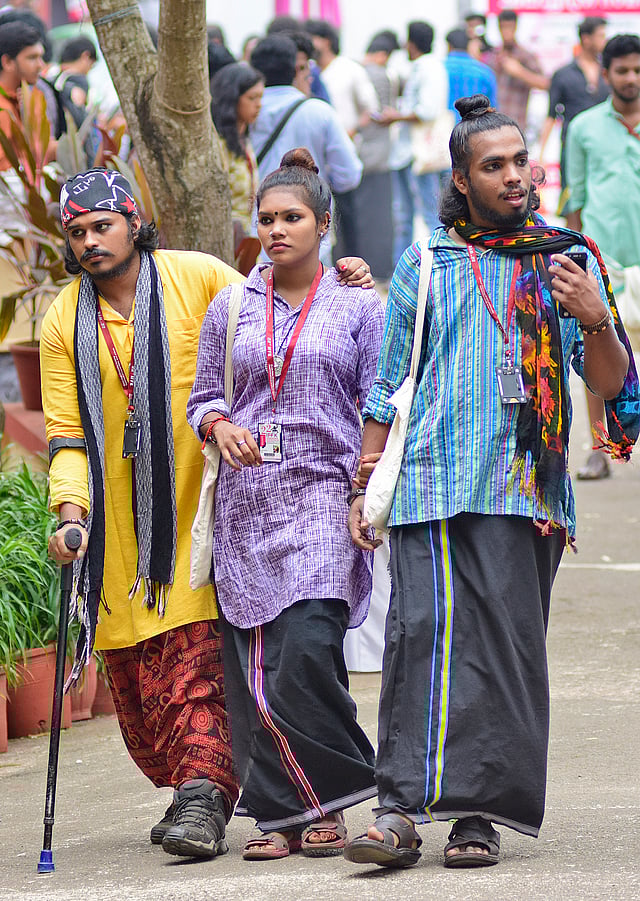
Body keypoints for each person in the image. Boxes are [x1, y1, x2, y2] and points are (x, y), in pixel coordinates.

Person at [344, 94, 639, 871]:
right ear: (463, 178)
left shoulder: (566, 260)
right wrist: (362, 482)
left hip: (523, 486)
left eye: (520, 161)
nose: (514, 176)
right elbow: (387, 383)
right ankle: (398, 810)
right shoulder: (427, 262)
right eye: (494, 165)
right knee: (417, 643)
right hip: (431, 483)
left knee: (504, 652)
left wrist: (597, 317)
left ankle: (478, 814)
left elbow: (613, 389)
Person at [186, 148, 383, 862]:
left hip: (324, 496)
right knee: (252, 668)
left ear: (324, 225)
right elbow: (203, 396)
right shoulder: (231, 306)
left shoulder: (360, 306)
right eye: (266, 218)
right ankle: (282, 809)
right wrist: (221, 425)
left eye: (292, 217)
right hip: (248, 503)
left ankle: (332, 791)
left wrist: (364, 486)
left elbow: (376, 401)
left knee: (305, 651)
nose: (276, 229)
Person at [41, 168, 244, 861]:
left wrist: (342, 280)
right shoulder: (61, 318)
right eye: (78, 232)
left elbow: (274, 322)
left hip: (196, 517)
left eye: (103, 225)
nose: (91, 241)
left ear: (133, 219)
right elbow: (67, 431)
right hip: (119, 545)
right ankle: (194, 783)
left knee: (193, 674)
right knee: (137, 692)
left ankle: (202, 795)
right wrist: (69, 515)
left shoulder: (201, 278)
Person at [565, 33, 640, 481]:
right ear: (606, 73)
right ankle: (599, 447)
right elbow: (574, 192)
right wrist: (576, 256)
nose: (631, 78)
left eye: (637, 69)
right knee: (595, 350)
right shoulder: (584, 127)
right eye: (623, 70)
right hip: (603, 258)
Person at [249, 34, 362, 263]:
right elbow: (349, 175)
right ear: (295, 69)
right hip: (312, 242)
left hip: (257, 240)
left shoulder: (243, 113)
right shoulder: (319, 112)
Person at [376, 21, 450, 263]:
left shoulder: (428, 68)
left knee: (426, 216)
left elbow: (427, 111)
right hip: (409, 153)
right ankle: (403, 270)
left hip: (419, 155)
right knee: (407, 217)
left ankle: (438, 267)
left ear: (410, 43)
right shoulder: (426, 67)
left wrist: (394, 116)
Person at [538, 16, 609, 215]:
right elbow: (551, 114)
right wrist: (541, 153)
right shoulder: (563, 74)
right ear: (586, 39)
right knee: (572, 199)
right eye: (601, 36)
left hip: (605, 146)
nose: (604, 40)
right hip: (572, 147)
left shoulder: (609, 72)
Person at [211, 62, 264, 235]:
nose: (259, 105)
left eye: (260, 97)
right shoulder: (217, 145)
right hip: (224, 237)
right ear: (233, 99)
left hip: (244, 235)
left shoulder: (244, 140)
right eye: (252, 98)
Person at [483, 9, 548, 133]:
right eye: (503, 27)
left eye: (510, 27)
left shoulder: (526, 56)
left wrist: (520, 72)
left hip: (516, 125)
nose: (507, 32)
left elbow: (545, 84)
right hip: (491, 125)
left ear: (516, 27)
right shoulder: (491, 56)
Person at [0, 19, 45, 171]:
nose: (40, 65)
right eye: (32, 58)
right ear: (7, 62)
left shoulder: (30, 99)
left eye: (41, 57)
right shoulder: (2, 108)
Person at [445, 27, 497, 119]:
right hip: (474, 129)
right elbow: (492, 109)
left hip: (443, 128)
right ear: (468, 45)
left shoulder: (440, 68)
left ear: (449, 46)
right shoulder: (485, 72)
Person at [53, 34, 97, 108]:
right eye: (92, 65)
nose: (88, 71)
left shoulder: (52, 78)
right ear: (86, 56)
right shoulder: (79, 80)